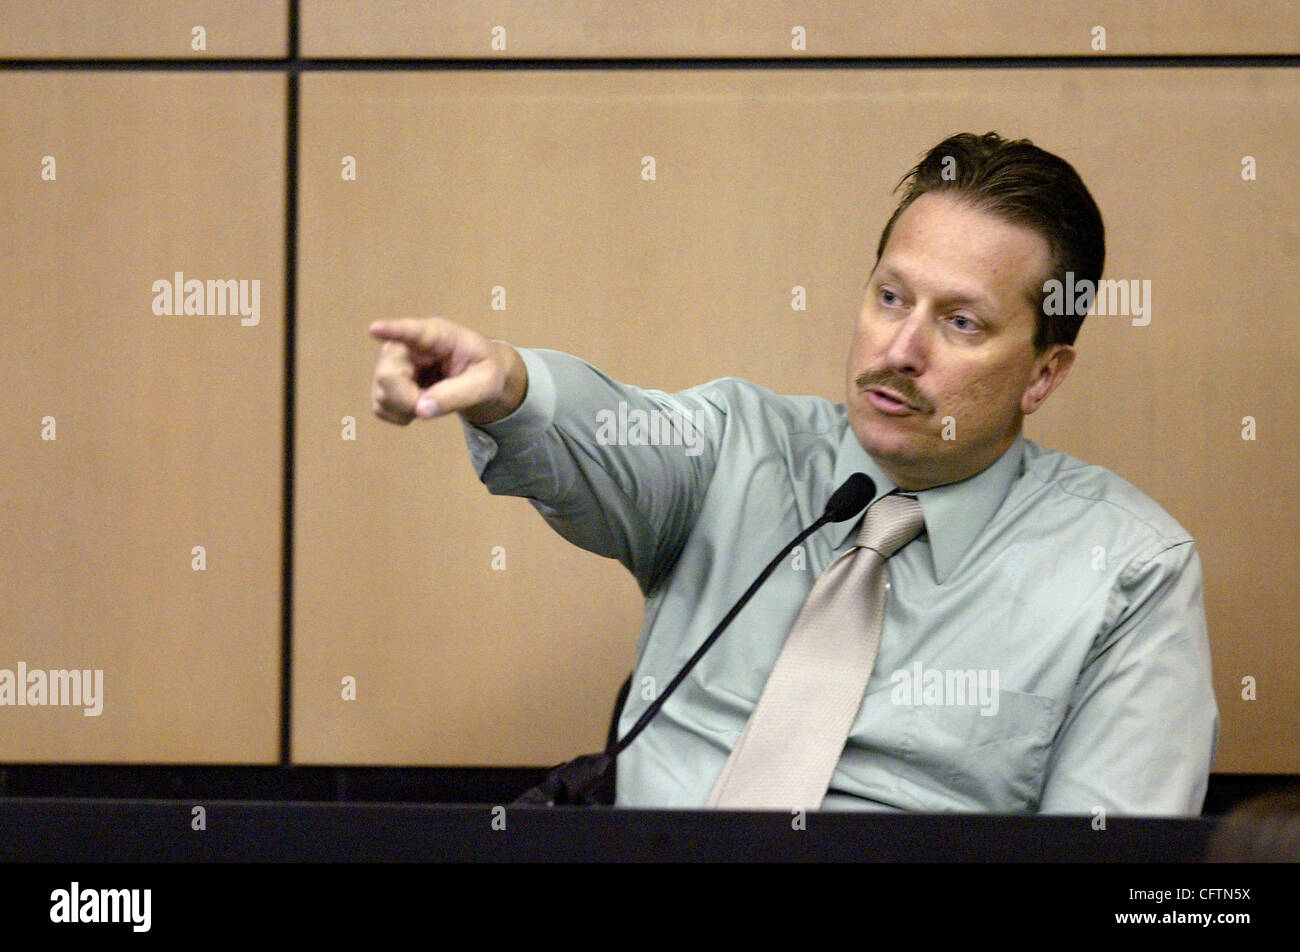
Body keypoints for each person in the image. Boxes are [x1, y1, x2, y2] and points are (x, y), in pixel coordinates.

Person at [369, 132, 1218, 815]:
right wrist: (507, 384)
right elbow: (606, 434)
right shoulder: (741, 449)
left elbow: (1116, 876)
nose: (900, 350)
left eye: (960, 322)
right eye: (890, 298)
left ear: (1043, 373)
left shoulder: (1128, 571)